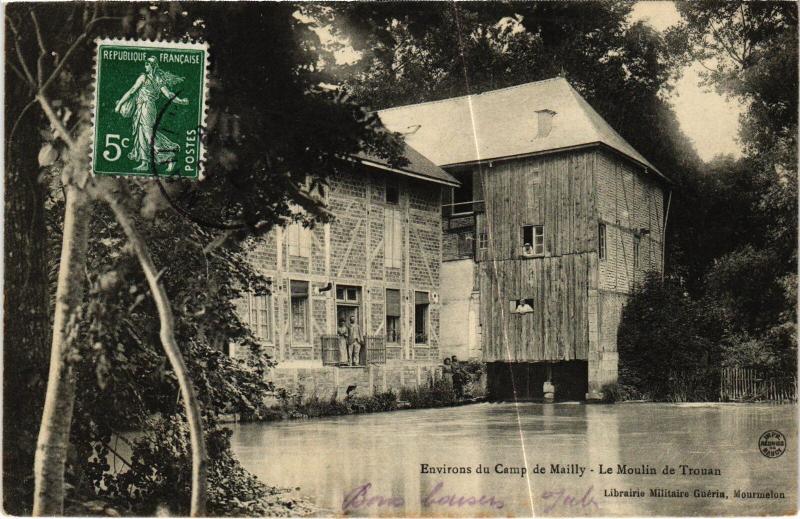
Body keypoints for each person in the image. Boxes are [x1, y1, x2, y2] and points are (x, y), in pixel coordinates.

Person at [114, 56, 189, 172]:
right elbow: (168, 94)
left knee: (149, 136)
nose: (145, 66)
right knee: (141, 135)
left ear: (152, 66)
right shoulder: (158, 79)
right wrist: (180, 101)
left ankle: (169, 157)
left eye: (147, 64)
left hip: (146, 108)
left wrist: (119, 105)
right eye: (145, 63)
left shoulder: (144, 77)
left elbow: (132, 91)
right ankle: (144, 163)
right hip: (143, 107)